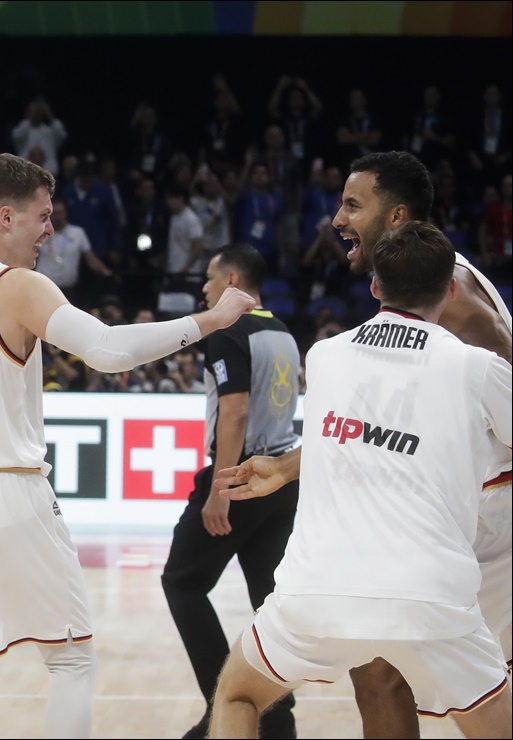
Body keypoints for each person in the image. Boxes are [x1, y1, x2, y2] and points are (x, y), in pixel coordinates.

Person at [0, 152, 256, 739]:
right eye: (43, 215)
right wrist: (211, 320)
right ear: (6, 217)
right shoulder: (15, 285)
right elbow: (110, 351)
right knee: (68, 660)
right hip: (3, 489)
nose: (50, 229)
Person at [214, 151, 513, 739]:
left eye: (353, 204)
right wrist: (291, 465)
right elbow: (379, 428)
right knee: (374, 673)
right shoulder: (418, 297)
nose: (336, 218)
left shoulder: (465, 317)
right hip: (436, 520)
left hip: (482, 526)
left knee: (395, 677)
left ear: (397, 217)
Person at [160, 243, 301, 740]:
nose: (203, 287)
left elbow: (236, 411)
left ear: (233, 281)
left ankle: (225, 706)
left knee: (181, 582)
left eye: (210, 277)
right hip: (281, 479)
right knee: (267, 601)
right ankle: (277, 720)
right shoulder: (282, 331)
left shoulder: (229, 328)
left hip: (240, 478)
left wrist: (219, 489)